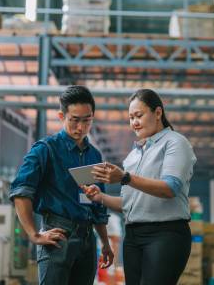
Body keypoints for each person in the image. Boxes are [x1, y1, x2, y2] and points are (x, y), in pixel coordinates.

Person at [83, 88, 197, 285]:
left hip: (165, 234)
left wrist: (125, 177)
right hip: (134, 237)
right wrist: (100, 197)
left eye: (139, 115)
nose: (134, 122)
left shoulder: (175, 143)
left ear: (158, 113)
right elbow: (129, 204)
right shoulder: (133, 156)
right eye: (130, 117)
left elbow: (170, 188)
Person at [9, 85, 114, 285]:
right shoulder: (46, 150)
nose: (81, 127)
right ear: (61, 116)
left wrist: (105, 243)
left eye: (87, 120)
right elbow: (21, 192)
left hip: (87, 240)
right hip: (58, 236)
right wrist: (34, 234)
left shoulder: (94, 155)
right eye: (74, 120)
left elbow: (97, 205)